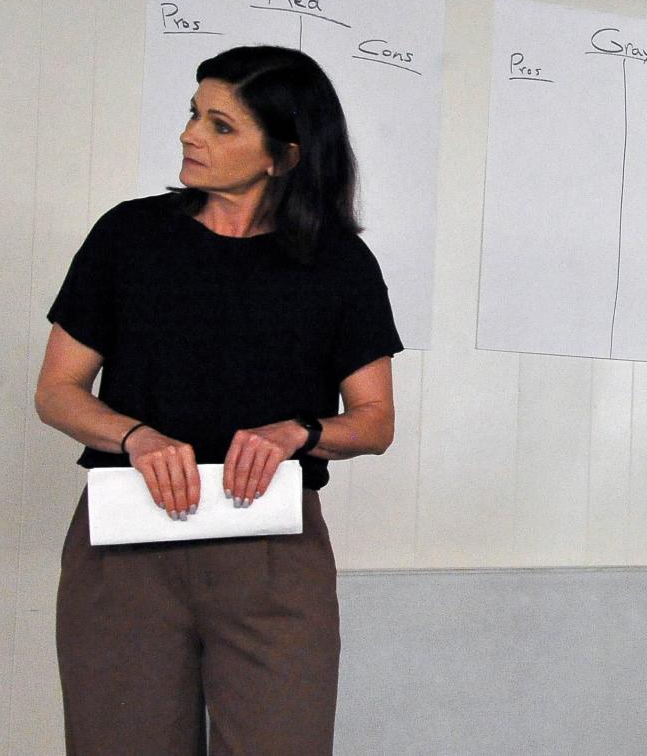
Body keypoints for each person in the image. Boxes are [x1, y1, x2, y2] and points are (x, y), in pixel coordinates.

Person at [35, 45, 403, 754]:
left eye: (221, 125)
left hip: (271, 550)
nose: (190, 135)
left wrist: (298, 430)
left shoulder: (339, 264)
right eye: (193, 114)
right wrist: (136, 435)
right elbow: (57, 391)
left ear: (284, 156)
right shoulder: (130, 237)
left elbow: (375, 422)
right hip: (125, 546)